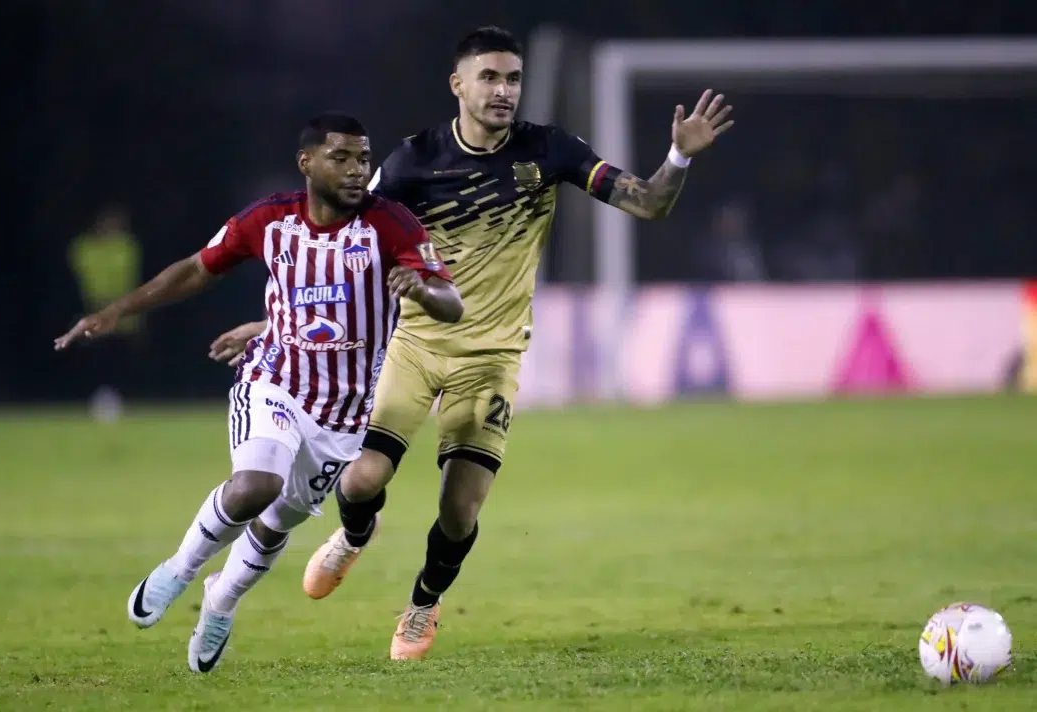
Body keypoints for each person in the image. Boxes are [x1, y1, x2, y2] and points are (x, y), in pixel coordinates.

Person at [211, 26, 734, 661]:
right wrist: (276, 324)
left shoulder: (550, 150)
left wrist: (677, 157)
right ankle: (353, 537)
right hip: (412, 344)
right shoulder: (411, 162)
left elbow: (648, 204)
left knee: (459, 511)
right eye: (489, 77)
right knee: (358, 481)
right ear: (458, 85)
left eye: (512, 78)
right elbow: (342, 257)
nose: (504, 90)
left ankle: (422, 606)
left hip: (492, 359)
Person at [54, 113, 462, 673]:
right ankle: (179, 568)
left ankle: (221, 602)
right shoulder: (270, 219)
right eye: (340, 157)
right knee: (255, 486)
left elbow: (451, 302)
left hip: (343, 416)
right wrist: (116, 311)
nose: (355, 170)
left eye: (363, 159)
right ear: (308, 163)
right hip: (274, 382)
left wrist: (421, 286)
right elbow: (199, 269)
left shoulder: (391, 224)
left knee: (276, 524)